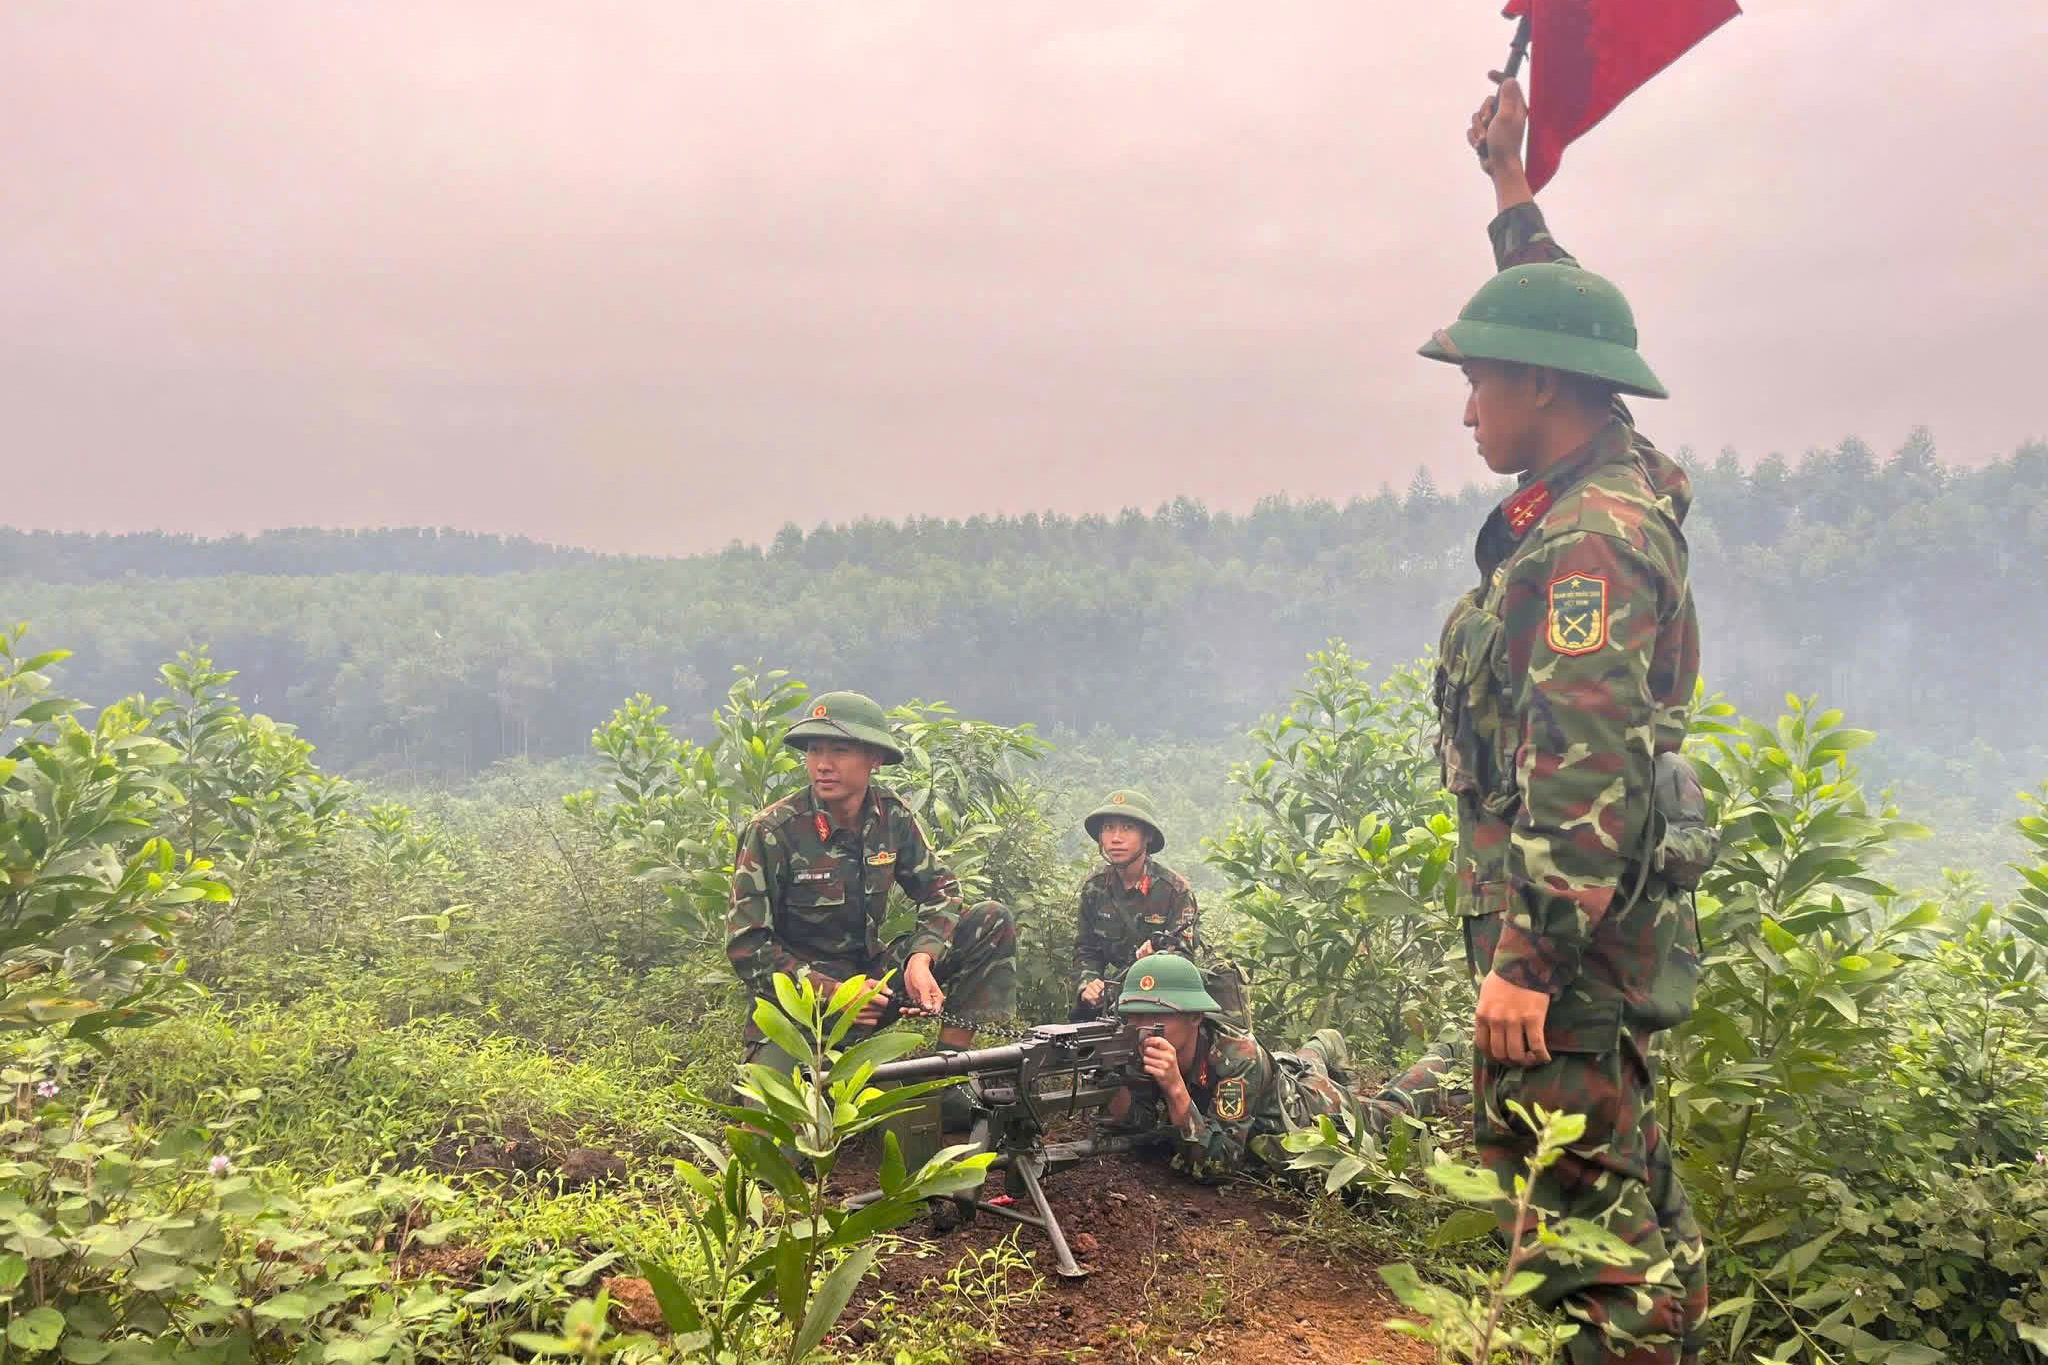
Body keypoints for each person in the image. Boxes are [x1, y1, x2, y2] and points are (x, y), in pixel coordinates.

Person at [1413, 75, 1710, 1365]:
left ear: (1541, 386)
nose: (1464, 402)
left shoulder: (1588, 547)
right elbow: (1570, 323)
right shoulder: (1615, 468)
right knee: (1626, 1204)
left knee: (1584, 1243)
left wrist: (1523, 961)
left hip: (1566, 966)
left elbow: (1583, 776)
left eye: (1478, 378)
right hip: (1600, 950)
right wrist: (1509, 192)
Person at [726, 691, 1018, 1095]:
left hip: (875, 987)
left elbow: (942, 889)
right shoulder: (773, 831)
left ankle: (949, 1080)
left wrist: (921, 958)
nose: (823, 765)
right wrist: (837, 996)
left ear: (874, 759)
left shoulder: (891, 816)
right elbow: (747, 946)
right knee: (774, 1142)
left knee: (990, 920)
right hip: (799, 1009)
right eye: (814, 750)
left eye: (840, 750)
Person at [1113, 954, 1467, 1184]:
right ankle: (1325, 1043)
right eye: (1134, 1016)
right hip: (1280, 1075)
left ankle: (1449, 1045)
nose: (1142, 1028)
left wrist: (1175, 1088)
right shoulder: (1140, 1045)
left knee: (1396, 1111)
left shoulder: (1237, 1057)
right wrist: (1110, 1082)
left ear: (1195, 1016)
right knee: (1302, 1064)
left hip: (1311, 1110)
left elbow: (1219, 1165)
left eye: (1157, 1017)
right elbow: (1137, 1125)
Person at [1071, 788, 1247, 1025]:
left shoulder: (1174, 891)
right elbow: (1086, 950)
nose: (1115, 838)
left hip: (1162, 1001)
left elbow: (1183, 959)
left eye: (1127, 828)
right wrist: (1088, 984)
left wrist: (1159, 959)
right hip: (1113, 1000)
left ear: (1148, 836)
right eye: (1108, 828)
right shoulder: (1095, 889)